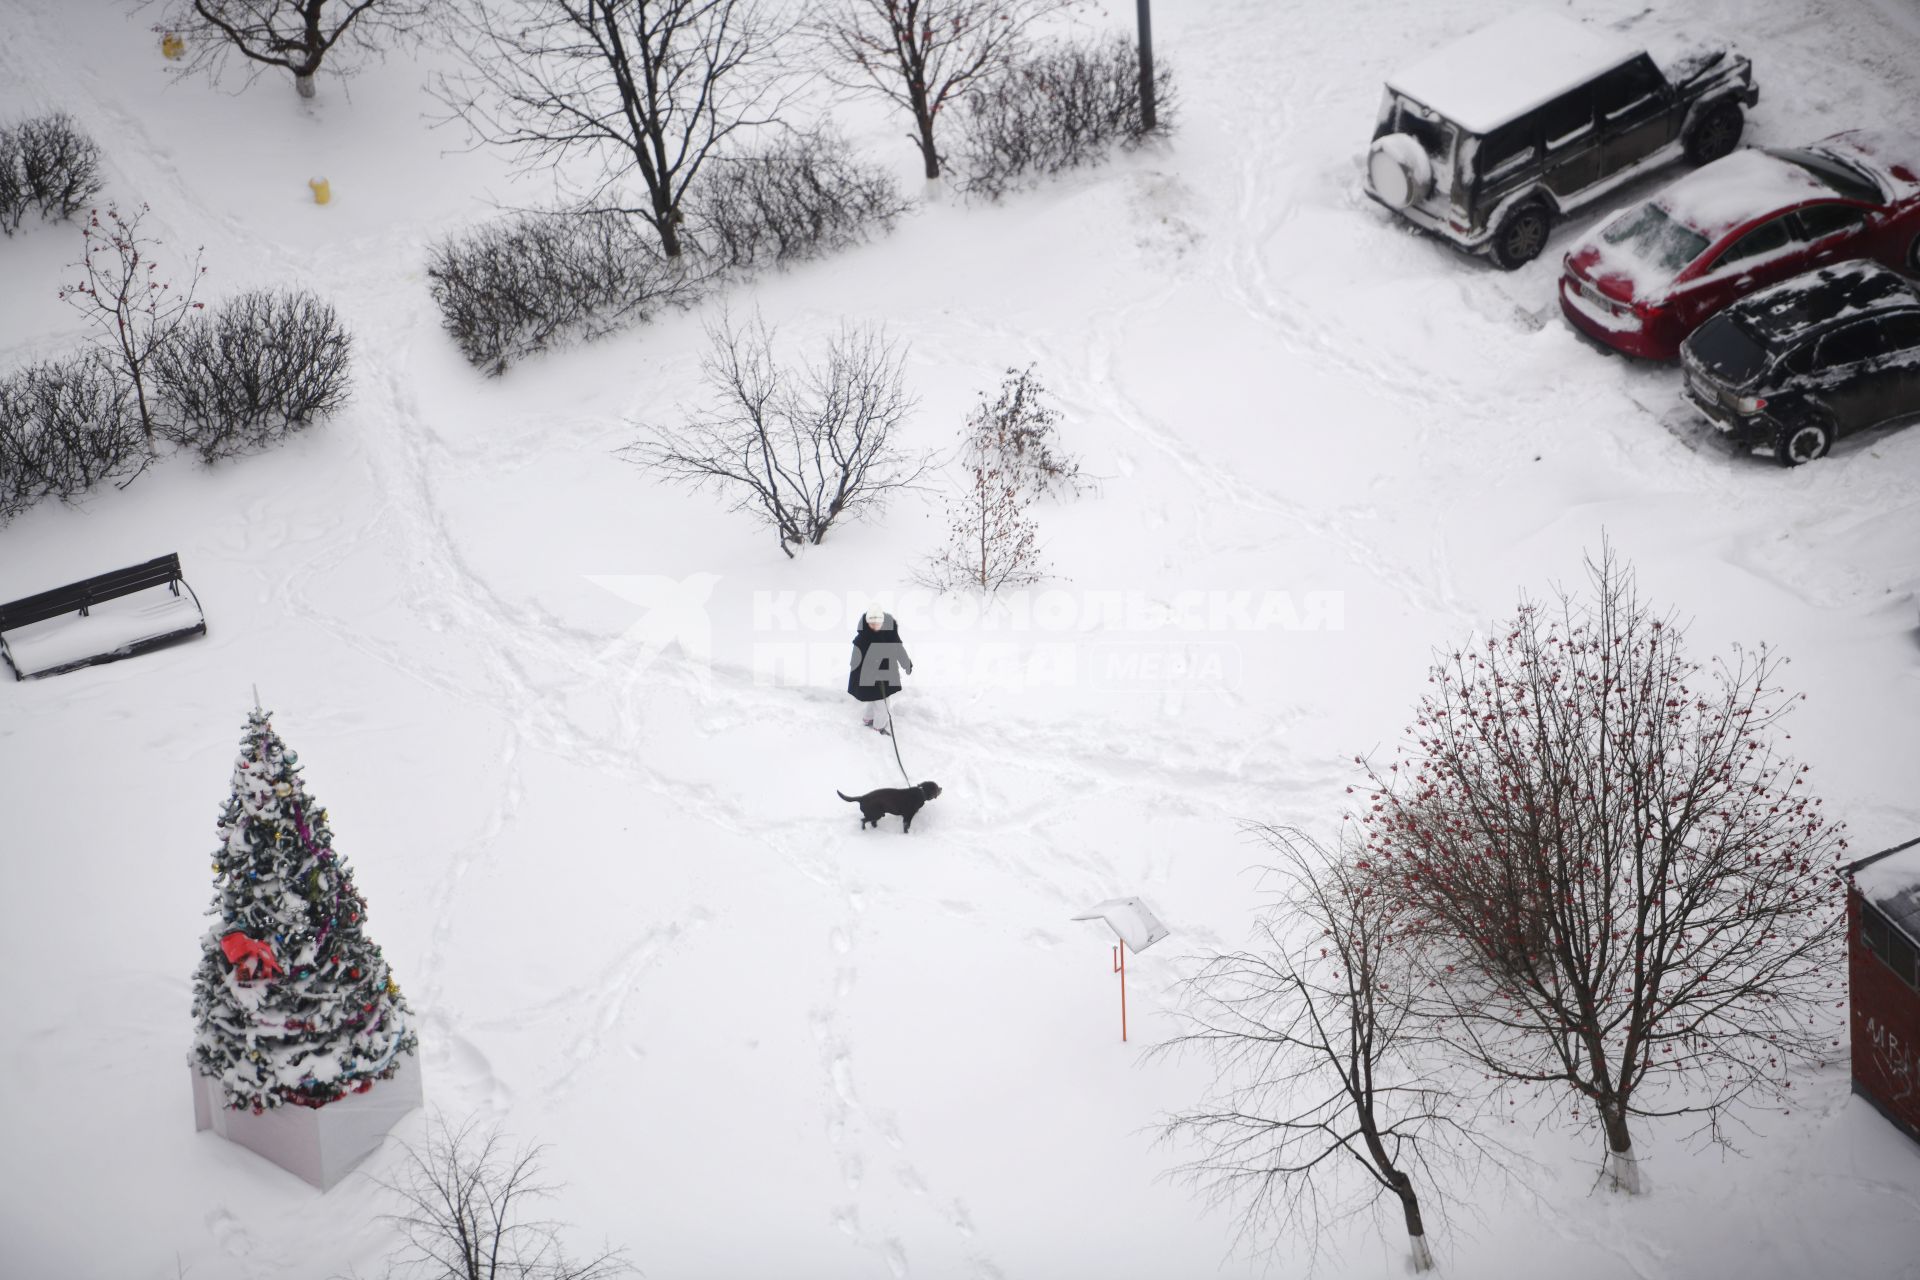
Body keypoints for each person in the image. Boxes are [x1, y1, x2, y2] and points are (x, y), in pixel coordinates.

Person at [848, 607, 912, 734]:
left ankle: (868, 719)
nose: (875, 626)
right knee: (883, 704)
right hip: (870, 678)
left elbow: (898, 649)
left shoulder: (890, 634)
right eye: (871, 623)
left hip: (887, 675)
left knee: (876, 699)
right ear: (867, 623)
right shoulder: (862, 639)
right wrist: (869, 674)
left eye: (878, 623)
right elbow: (855, 663)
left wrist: (906, 663)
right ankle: (879, 727)